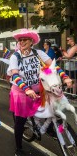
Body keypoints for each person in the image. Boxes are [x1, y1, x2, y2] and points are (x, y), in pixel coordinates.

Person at [7, 28, 72, 156]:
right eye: (20, 40)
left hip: (39, 88)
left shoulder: (38, 53)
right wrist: (27, 89)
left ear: (32, 41)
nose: (22, 42)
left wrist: (65, 77)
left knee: (52, 108)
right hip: (21, 92)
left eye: (25, 39)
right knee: (20, 121)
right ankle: (18, 148)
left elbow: (53, 66)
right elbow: (14, 75)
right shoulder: (16, 56)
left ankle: (49, 128)